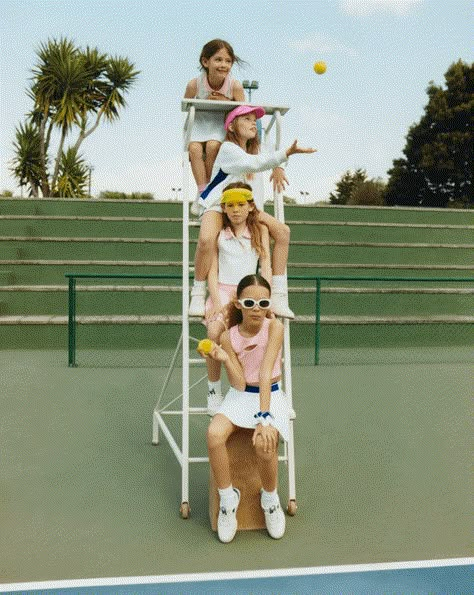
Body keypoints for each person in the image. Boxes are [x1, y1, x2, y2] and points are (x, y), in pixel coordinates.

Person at [189, 104, 317, 320]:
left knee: (283, 232)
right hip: (220, 204)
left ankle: (277, 295)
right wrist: (286, 153)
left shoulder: (255, 148)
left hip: (246, 207)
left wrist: (280, 166)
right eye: (246, 119)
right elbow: (257, 163)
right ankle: (198, 292)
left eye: (254, 120)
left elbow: (265, 156)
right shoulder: (228, 149)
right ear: (231, 126)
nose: (253, 123)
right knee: (206, 239)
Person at [199, 274, 289, 543]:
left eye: (263, 303)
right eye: (250, 302)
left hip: (270, 395)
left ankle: (270, 499)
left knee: (265, 443)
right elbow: (238, 382)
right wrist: (225, 358)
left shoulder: (275, 328)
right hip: (240, 396)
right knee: (214, 436)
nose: (257, 309)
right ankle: (228, 499)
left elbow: (264, 374)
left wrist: (264, 418)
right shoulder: (227, 336)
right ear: (238, 304)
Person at [204, 182, 271, 416]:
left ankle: (265, 391)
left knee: (263, 332)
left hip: (249, 292)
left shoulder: (259, 231)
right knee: (214, 333)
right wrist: (217, 302)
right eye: (229, 205)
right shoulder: (219, 234)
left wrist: (266, 297)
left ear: (250, 206)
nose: (235, 210)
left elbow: (266, 267)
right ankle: (213, 391)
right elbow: (212, 271)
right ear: (223, 208)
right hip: (222, 291)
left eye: (241, 204)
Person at [184, 39, 246, 198]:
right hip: (199, 122)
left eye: (228, 61)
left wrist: (226, 102)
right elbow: (186, 107)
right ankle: (202, 189)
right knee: (194, 148)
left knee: (213, 146)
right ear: (205, 61)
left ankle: (210, 186)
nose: (223, 65)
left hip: (220, 123)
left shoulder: (235, 86)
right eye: (218, 60)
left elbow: (244, 111)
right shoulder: (194, 84)